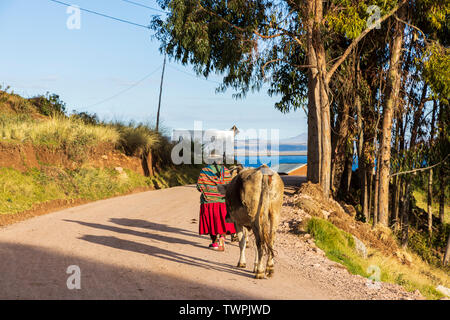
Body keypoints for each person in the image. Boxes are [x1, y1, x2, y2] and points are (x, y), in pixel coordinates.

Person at [196, 158, 236, 251]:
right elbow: (230, 186)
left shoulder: (204, 171)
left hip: (208, 202)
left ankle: (214, 242)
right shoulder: (225, 171)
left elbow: (199, 186)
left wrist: (209, 189)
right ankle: (222, 238)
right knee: (222, 221)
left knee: (211, 222)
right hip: (223, 202)